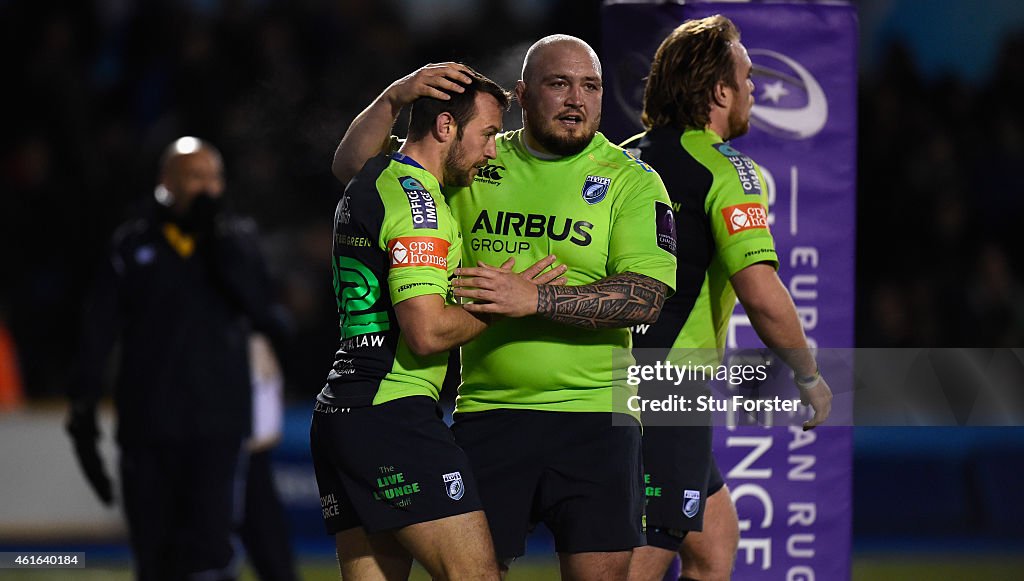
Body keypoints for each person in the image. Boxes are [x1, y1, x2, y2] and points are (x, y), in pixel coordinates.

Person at [332, 37, 678, 581]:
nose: (575, 99)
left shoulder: (630, 180)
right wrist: (393, 98)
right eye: (558, 83)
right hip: (489, 413)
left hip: (596, 417)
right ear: (522, 94)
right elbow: (362, 172)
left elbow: (646, 297)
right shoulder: (476, 158)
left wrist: (536, 299)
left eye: (590, 86)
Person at [311, 68, 563, 581]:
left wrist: (391, 97)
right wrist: (505, 303)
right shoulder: (419, 206)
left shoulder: (380, 178)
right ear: (446, 125)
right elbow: (425, 332)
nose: (494, 150)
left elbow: (345, 160)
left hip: (342, 413)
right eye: (488, 133)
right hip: (392, 415)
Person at [620, 15, 834, 581]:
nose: (754, 89)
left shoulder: (618, 158)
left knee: (713, 546)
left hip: (606, 374)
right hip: (668, 384)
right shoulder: (727, 168)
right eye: (746, 76)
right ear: (720, 91)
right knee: (636, 560)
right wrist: (808, 376)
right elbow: (762, 294)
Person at [67, 136, 292, 581]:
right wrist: (83, 405)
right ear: (166, 182)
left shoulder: (238, 241)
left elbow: (267, 314)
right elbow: (98, 330)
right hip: (148, 422)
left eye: (215, 177)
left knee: (210, 551)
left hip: (217, 424)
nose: (208, 188)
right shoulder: (132, 245)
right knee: (155, 555)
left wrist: (219, 244)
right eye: (195, 177)